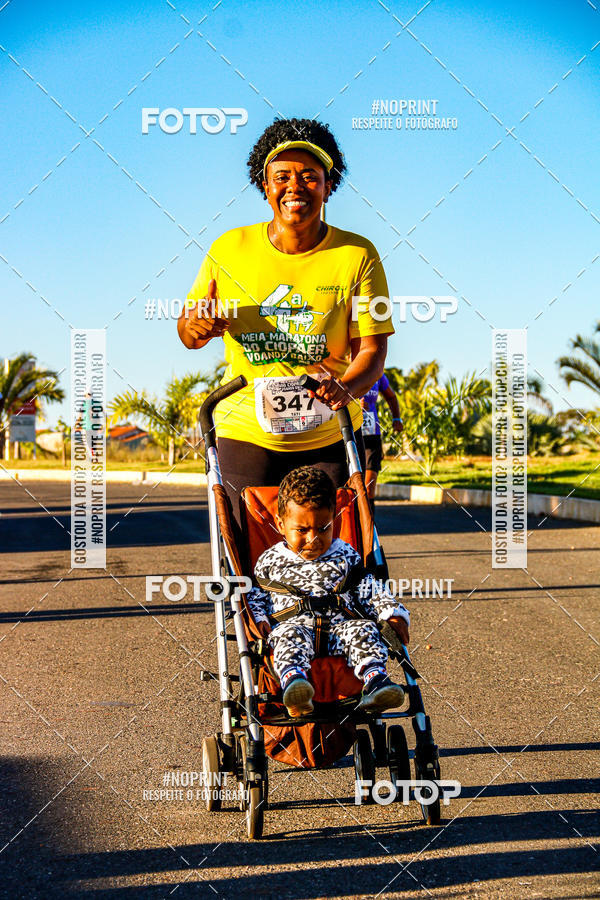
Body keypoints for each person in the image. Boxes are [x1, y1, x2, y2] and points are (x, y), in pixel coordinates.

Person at [177, 118, 394, 531]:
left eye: (310, 176)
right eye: (283, 176)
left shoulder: (359, 255)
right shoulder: (229, 249)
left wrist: (346, 386)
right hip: (245, 432)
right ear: (265, 185)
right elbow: (187, 330)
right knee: (249, 558)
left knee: (334, 558)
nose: (295, 186)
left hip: (329, 432)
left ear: (329, 186)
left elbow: (373, 350)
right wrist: (198, 327)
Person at [246, 467, 410, 717]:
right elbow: (256, 595)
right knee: (286, 636)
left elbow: (369, 588)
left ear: (334, 519)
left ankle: (376, 682)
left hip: (339, 631)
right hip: (294, 626)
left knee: (363, 629)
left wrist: (391, 612)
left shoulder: (344, 554)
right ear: (280, 524)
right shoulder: (270, 561)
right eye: (302, 530)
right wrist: (257, 619)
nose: (313, 539)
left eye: (323, 528)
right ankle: (295, 686)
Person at [360, 374, 403, 502]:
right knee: (352, 489)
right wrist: (354, 404)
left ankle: (369, 522)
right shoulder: (344, 367)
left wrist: (396, 418)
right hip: (351, 435)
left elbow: (391, 396)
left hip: (372, 434)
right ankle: (352, 521)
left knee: (368, 489)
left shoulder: (377, 373)